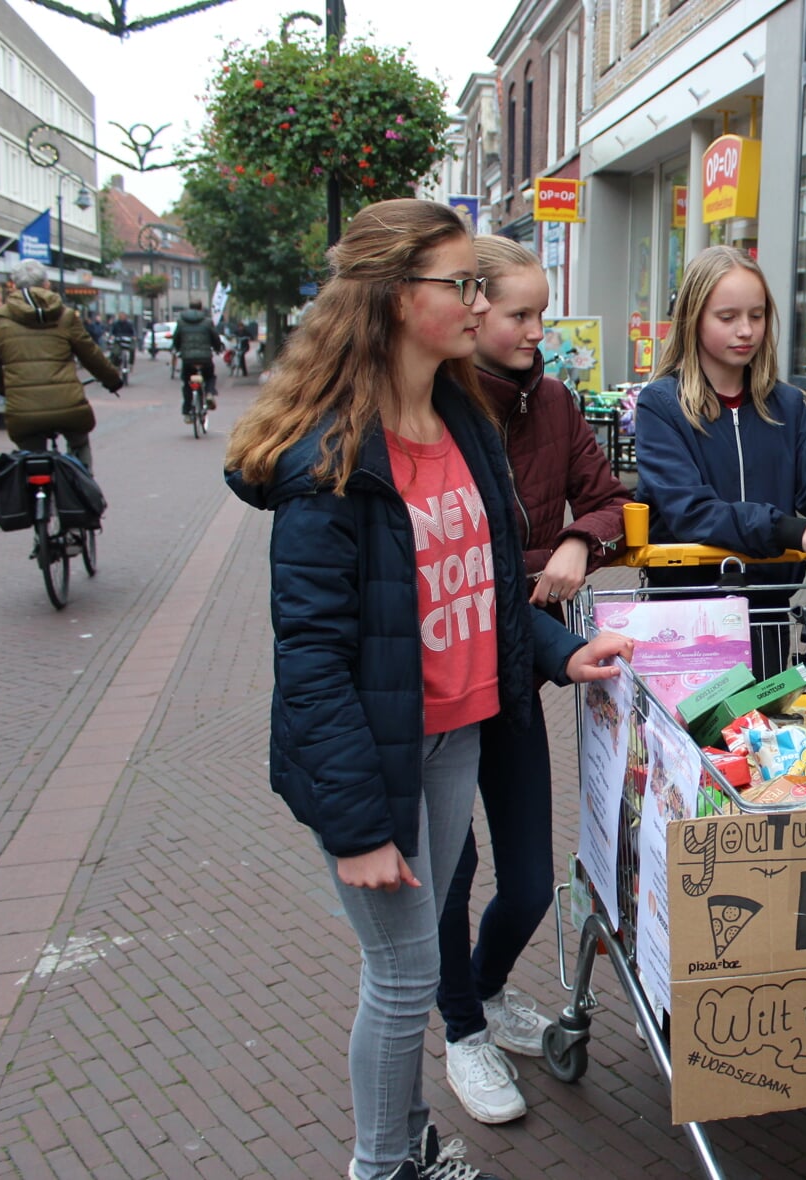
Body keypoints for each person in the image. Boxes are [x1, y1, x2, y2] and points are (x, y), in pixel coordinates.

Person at [223, 198, 633, 1180]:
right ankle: (381, 1165)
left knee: (409, 967)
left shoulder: (461, 417)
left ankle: (406, 1142)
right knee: (405, 972)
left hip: (458, 732)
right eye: (464, 285)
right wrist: (360, 823)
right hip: (380, 754)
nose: (479, 301)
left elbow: (486, 580)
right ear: (399, 299)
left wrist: (550, 647)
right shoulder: (333, 457)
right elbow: (313, 655)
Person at [431, 235, 633, 1124]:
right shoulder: (436, 409)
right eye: (520, 314)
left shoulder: (551, 399)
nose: (536, 331)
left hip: (519, 664)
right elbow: (464, 564)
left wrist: (582, 543)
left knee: (523, 879)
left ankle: (476, 995)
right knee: (449, 868)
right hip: (445, 668)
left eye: (543, 313)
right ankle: (463, 1032)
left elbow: (607, 495)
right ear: (471, 312)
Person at [634, 245, 806, 673]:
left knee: (761, 739)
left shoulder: (786, 406)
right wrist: (796, 532)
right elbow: (692, 512)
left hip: (766, 616)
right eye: (727, 317)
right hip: (685, 622)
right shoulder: (661, 405)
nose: (746, 330)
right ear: (693, 319)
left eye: (757, 315)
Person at [0, 258, 123, 472]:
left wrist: (7, 388)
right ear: (46, 284)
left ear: (13, 285)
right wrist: (113, 381)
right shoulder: (65, 316)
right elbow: (91, 356)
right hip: (68, 406)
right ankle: (83, 491)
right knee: (78, 442)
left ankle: (30, 499)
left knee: (29, 457)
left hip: (23, 411)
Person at [172, 296, 218, 422]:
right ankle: (209, 393)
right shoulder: (207, 322)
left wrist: (177, 349)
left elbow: (176, 338)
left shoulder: (181, 321)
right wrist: (217, 348)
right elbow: (215, 338)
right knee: (210, 376)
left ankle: (187, 412)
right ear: (201, 308)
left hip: (188, 359)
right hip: (205, 358)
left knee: (187, 382)